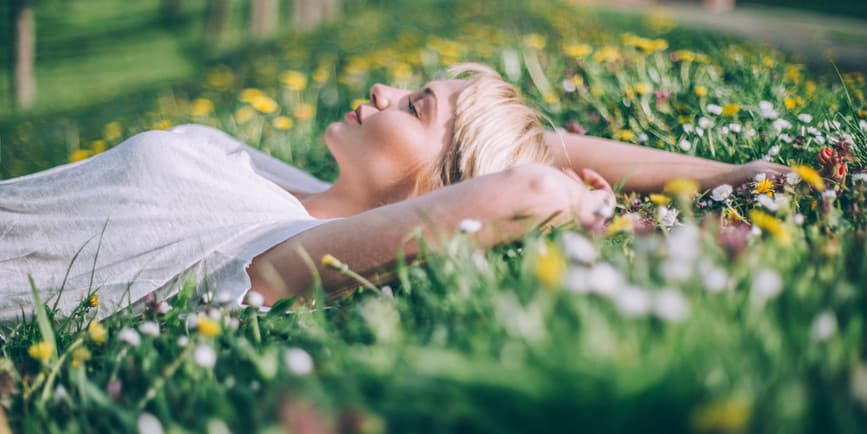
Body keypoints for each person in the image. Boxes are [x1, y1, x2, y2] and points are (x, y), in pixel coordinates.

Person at [0, 63, 787, 321]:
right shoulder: (284, 187)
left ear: (445, 187)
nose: (381, 87)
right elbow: (553, 148)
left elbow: (529, 179)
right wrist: (722, 174)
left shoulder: (276, 255)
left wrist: (570, 200)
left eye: (415, 106)